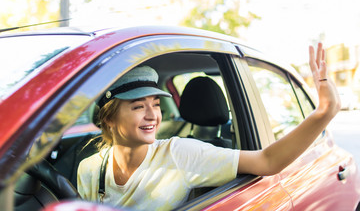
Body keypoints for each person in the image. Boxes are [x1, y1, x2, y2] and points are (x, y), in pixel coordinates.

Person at [77, 43, 340, 210]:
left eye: (156, 104)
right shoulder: (88, 169)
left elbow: (267, 161)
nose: (153, 115)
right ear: (109, 118)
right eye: (138, 107)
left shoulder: (180, 154)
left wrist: (323, 113)